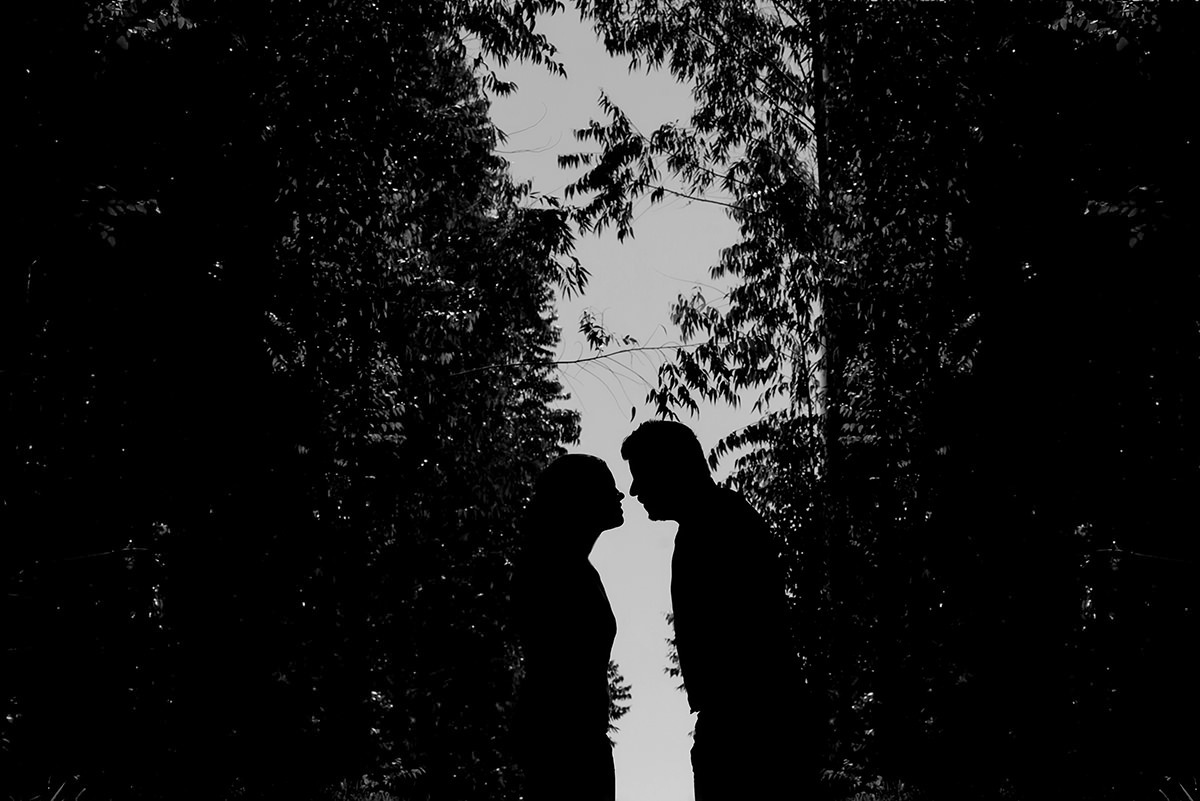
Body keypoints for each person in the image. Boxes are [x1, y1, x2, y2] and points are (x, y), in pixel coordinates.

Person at [621, 420, 818, 800]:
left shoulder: (716, 527)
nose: (634, 490)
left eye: (642, 475)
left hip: (748, 728)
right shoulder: (717, 521)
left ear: (670, 469)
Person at [513, 454, 625, 801]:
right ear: (581, 499)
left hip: (577, 738)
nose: (620, 495)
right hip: (564, 743)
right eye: (608, 488)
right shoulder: (551, 569)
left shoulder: (574, 568)